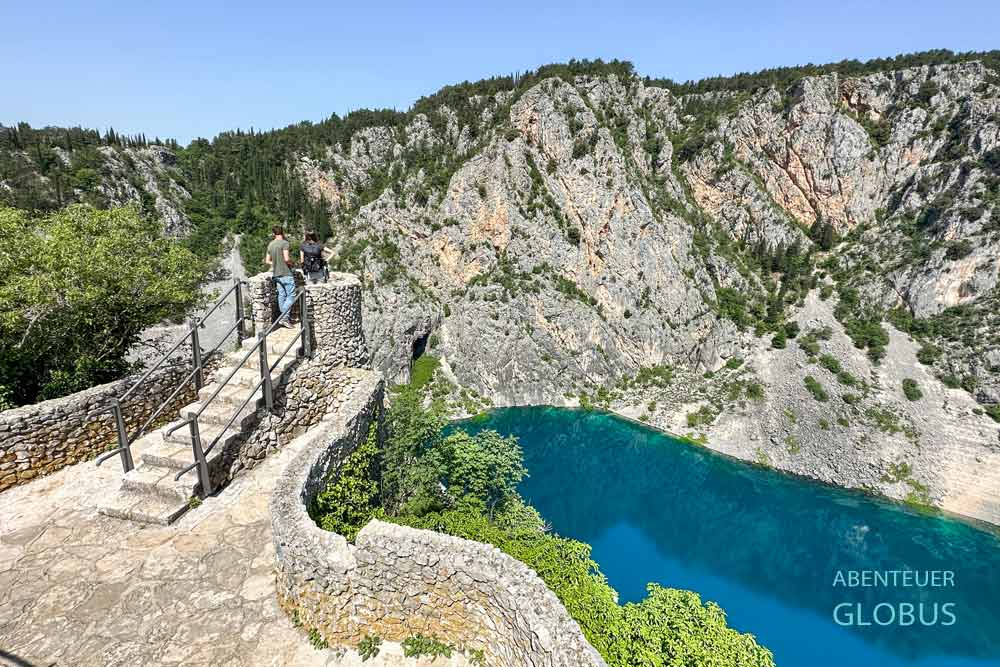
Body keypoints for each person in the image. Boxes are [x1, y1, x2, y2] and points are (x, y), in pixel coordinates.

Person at [264, 226, 296, 328]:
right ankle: (284, 318)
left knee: (281, 295)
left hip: (276, 274)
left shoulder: (270, 244)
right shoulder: (285, 243)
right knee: (291, 296)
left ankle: (283, 317)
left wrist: (275, 263)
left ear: (274, 234)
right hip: (286, 273)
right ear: (282, 232)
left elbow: (267, 261)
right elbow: (286, 259)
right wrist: (293, 263)